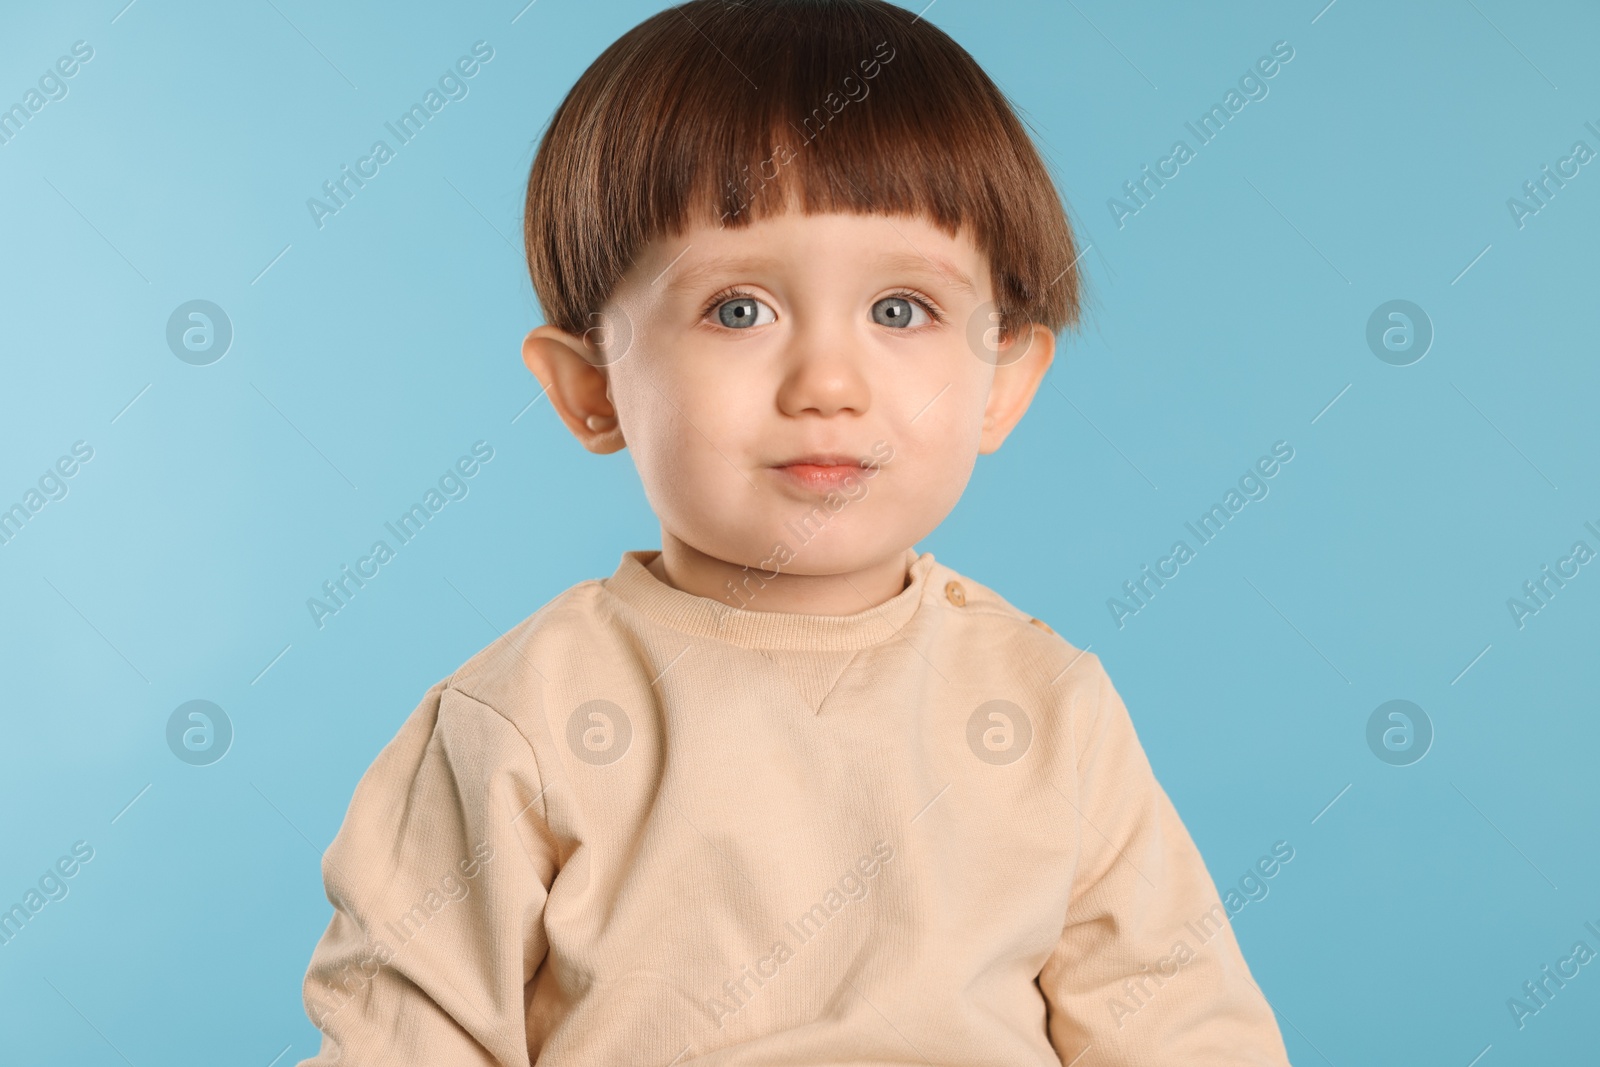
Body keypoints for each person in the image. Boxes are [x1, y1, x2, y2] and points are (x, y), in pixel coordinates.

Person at [294, 1, 1293, 1062]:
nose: (827, 382)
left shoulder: (1050, 711)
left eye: (900, 309)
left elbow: (1182, 1024)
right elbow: (403, 1038)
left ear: (1002, 380)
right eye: (738, 309)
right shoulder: (516, 725)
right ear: (591, 387)